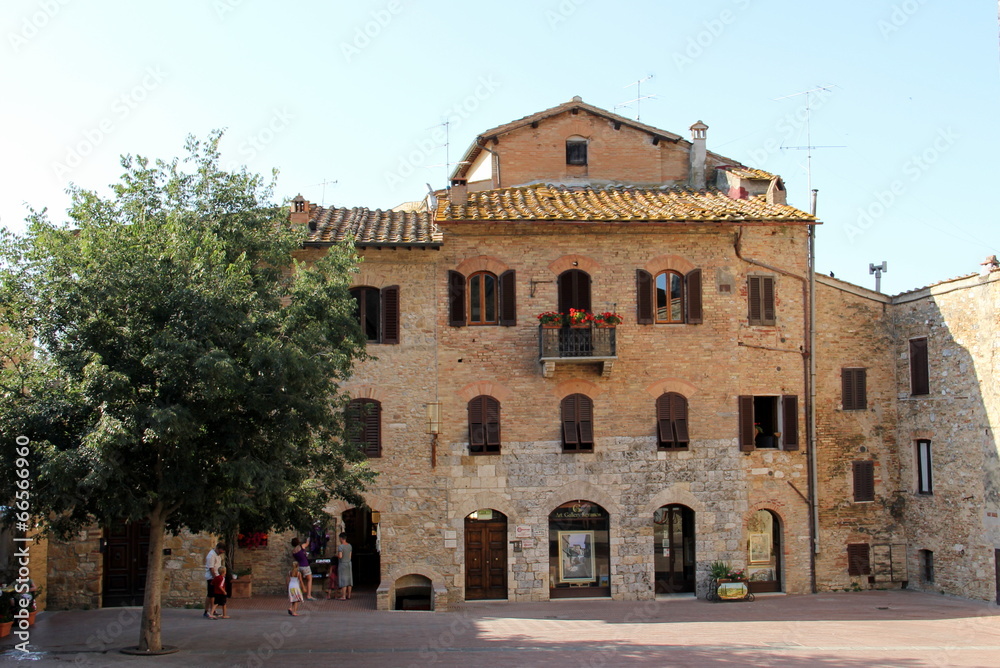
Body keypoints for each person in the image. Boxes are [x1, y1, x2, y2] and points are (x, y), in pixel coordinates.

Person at [203, 542, 226, 618]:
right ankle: (206, 611)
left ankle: (213, 610)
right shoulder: (211, 555)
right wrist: (216, 579)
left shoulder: (217, 555)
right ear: (217, 548)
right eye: (220, 551)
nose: (221, 553)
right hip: (211, 578)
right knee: (210, 595)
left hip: (217, 577)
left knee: (214, 595)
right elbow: (211, 568)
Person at [334, 532, 353, 600]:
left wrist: (337, 556)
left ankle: (343, 596)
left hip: (342, 564)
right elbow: (350, 556)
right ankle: (349, 595)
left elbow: (340, 556)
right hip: (348, 563)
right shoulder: (349, 546)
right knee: (349, 580)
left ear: (341, 538)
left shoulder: (341, 547)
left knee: (343, 580)